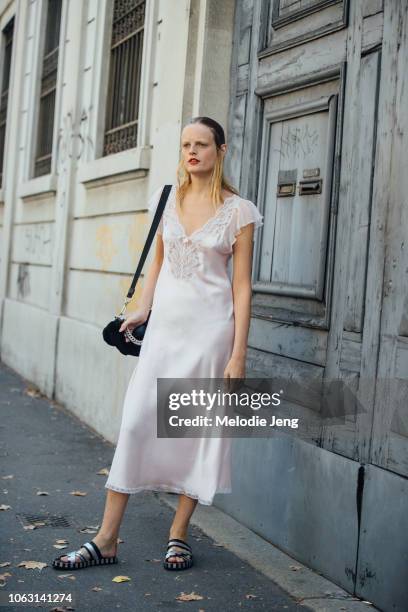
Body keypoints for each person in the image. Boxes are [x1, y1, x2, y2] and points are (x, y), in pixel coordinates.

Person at [52, 116, 263, 572]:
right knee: (135, 424)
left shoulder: (239, 211)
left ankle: (179, 534)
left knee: (195, 432)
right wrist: (142, 308)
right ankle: (106, 539)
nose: (192, 151)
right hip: (165, 334)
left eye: (202, 144)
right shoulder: (166, 199)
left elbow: (242, 288)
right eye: (186, 143)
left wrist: (238, 352)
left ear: (220, 150)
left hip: (211, 335)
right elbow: (157, 265)